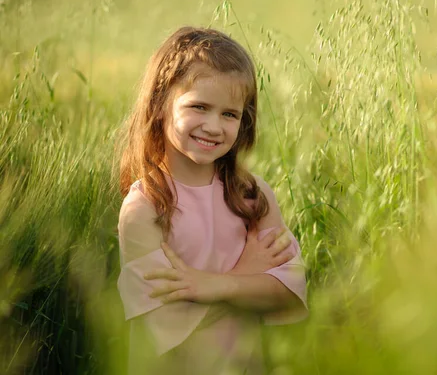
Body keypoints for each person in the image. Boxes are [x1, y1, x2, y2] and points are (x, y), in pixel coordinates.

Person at [116, 26, 308, 374]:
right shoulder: (145, 208)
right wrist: (248, 274)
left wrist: (210, 285)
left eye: (229, 114)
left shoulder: (253, 196)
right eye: (199, 107)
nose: (214, 126)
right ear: (160, 104)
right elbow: (166, 322)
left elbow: (290, 290)